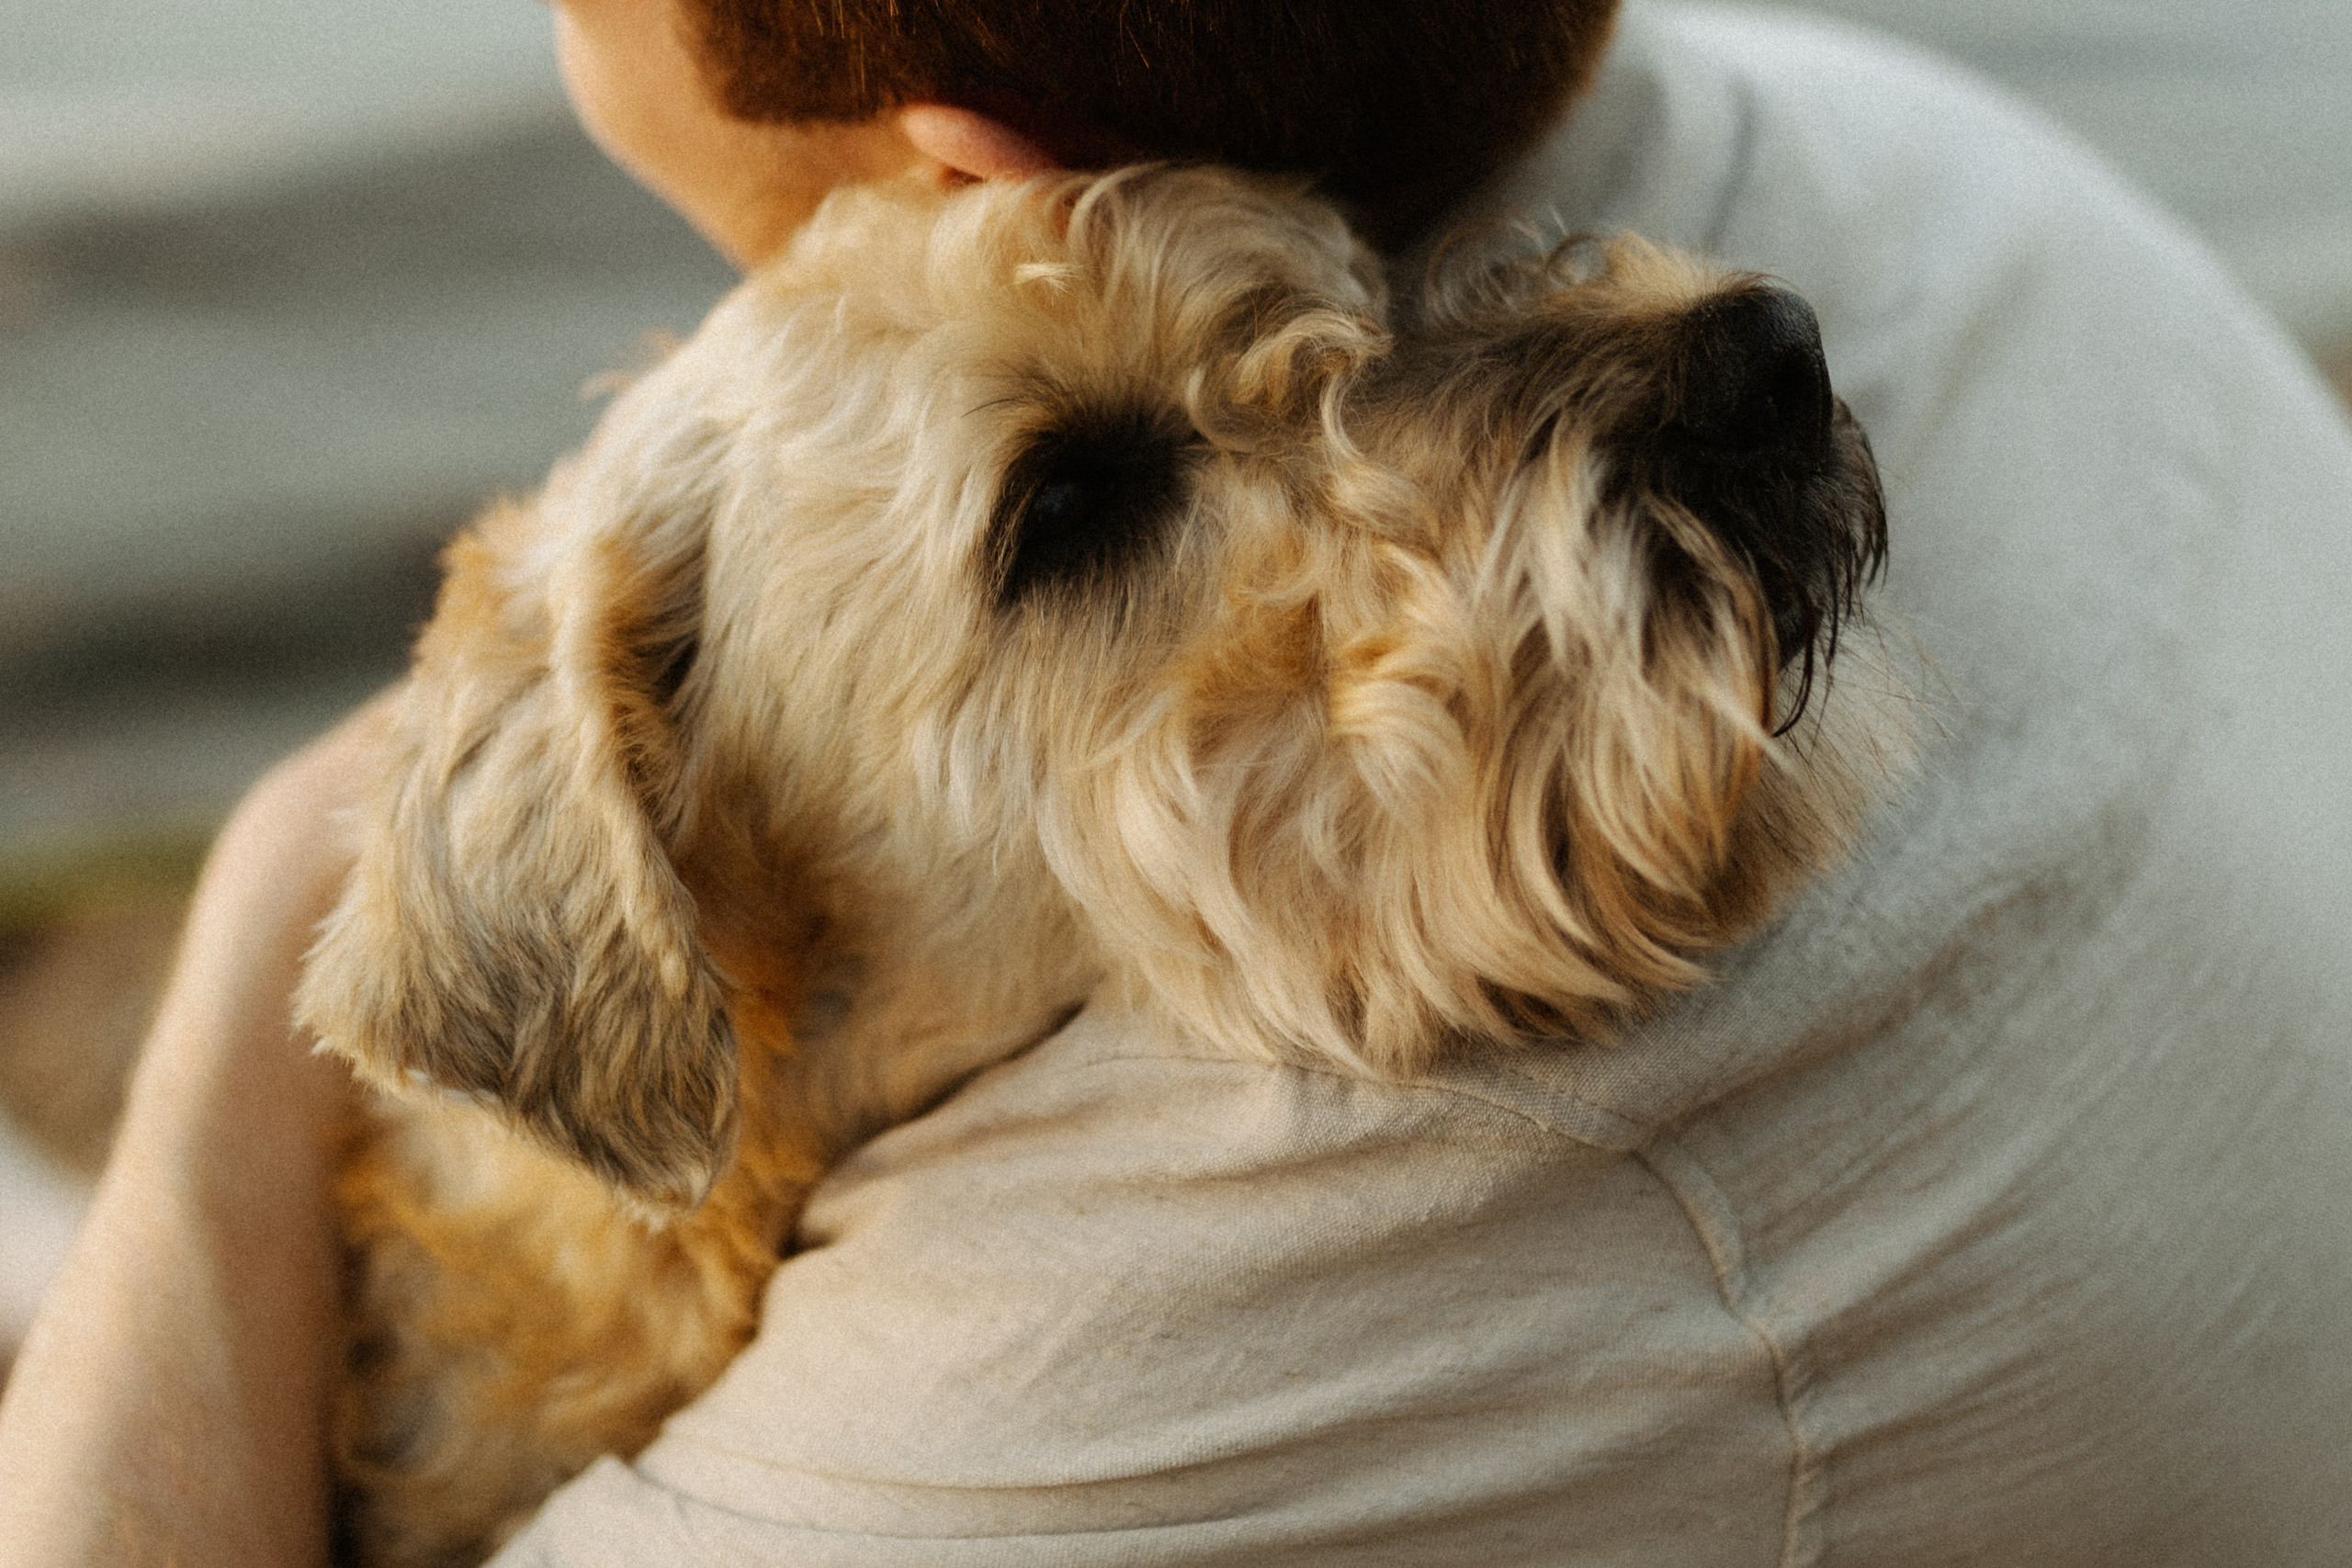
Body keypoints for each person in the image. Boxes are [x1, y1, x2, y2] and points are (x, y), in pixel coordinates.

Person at [6, 0, 2352, 1561]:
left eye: (1078, 512)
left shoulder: (1194, 1320)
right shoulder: (1884, 139)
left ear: (971, 143)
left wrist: (246, 961)